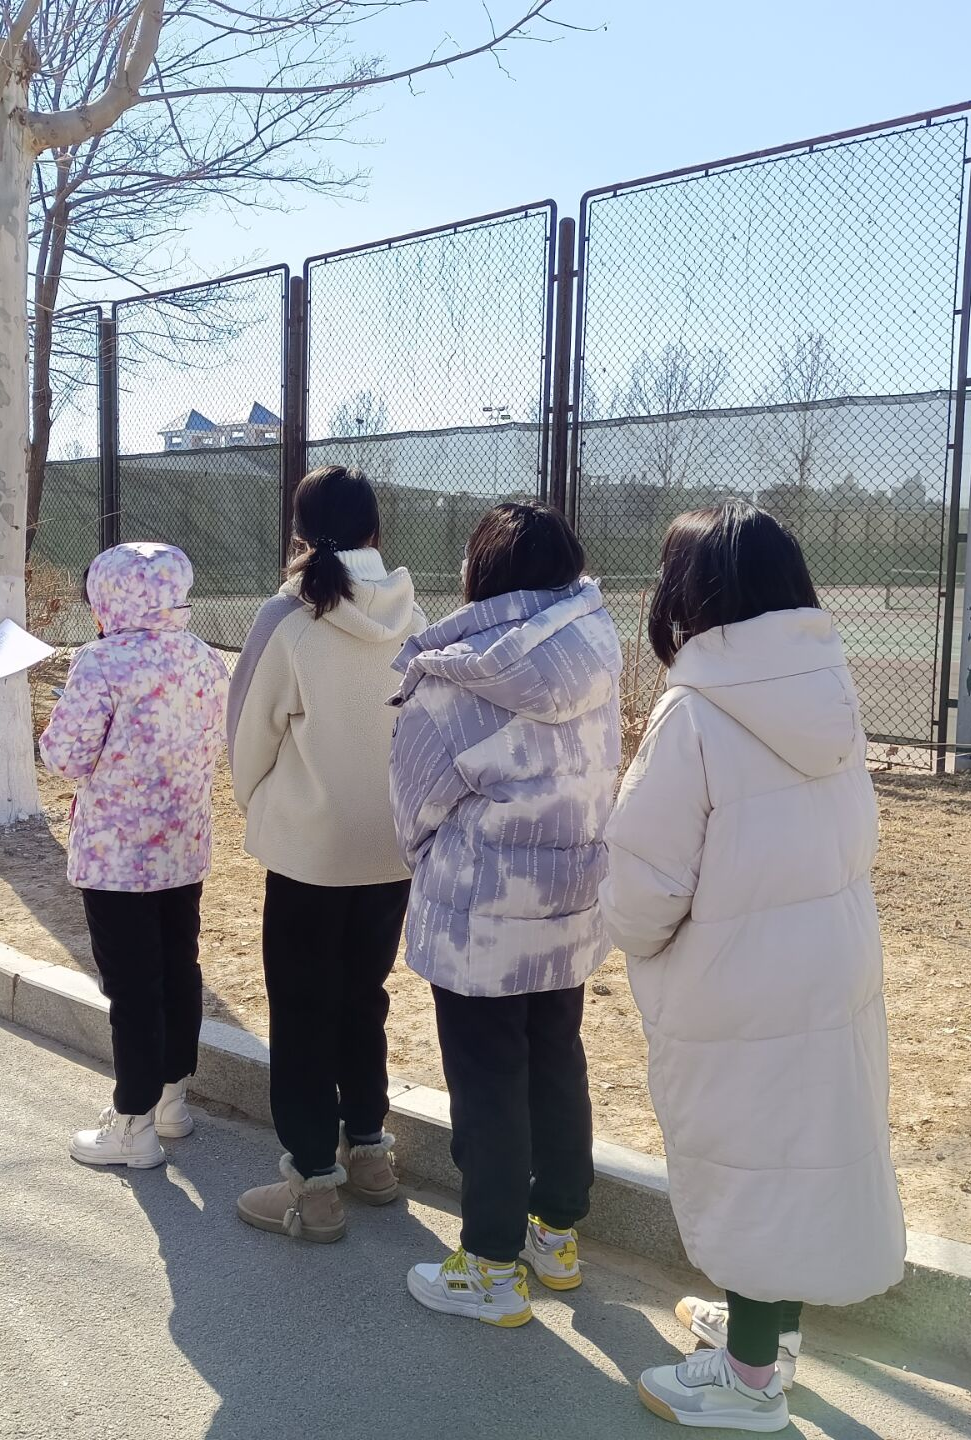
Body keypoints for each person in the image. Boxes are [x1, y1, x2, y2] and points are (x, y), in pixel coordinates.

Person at [602, 501, 904, 1433]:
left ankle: (747, 1381)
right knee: (795, 1157)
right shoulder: (828, 691)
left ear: (688, 594)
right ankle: (771, 1334)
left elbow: (643, 889)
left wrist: (636, 938)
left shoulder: (693, 711)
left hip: (737, 982)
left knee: (749, 1163)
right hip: (830, 961)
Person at [389, 500, 621, 1327]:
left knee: (487, 1082)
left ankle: (489, 1265)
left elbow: (413, 807)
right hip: (571, 901)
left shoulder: (455, 679)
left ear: (480, 572)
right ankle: (555, 1233)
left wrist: (434, 864)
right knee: (556, 1059)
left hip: (481, 914)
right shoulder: (596, 653)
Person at [226, 465, 425, 1243]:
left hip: (311, 852)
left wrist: (263, 804)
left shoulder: (292, 618)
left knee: (303, 1011)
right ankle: (369, 1150)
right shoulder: (414, 614)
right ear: (376, 531)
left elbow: (250, 732)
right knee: (363, 997)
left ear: (300, 533)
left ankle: (311, 1185)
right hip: (391, 846)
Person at [40, 541, 230, 1170]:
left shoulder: (102, 661)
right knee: (178, 967)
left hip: (117, 854)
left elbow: (67, 755)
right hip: (182, 843)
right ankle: (171, 1099)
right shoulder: (204, 657)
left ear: (107, 596)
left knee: (132, 985)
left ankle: (132, 1124)